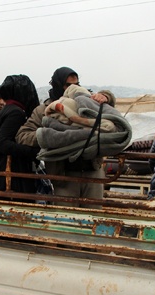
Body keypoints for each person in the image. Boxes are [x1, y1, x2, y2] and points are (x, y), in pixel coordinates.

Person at [16, 66, 115, 209]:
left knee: (94, 218)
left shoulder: (85, 103)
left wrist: (105, 96)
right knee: (67, 220)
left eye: (76, 84)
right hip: (64, 176)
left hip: (92, 173)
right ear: (57, 85)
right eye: (68, 85)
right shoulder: (45, 109)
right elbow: (23, 135)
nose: (73, 88)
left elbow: (108, 102)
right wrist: (50, 137)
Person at [0, 75, 40, 195]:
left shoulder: (8, 109)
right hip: (15, 171)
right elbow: (1, 142)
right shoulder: (16, 112)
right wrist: (32, 151)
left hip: (5, 168)